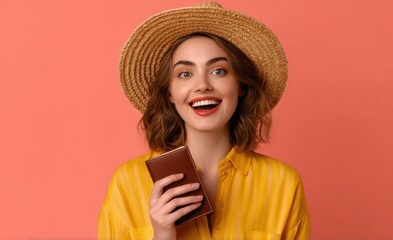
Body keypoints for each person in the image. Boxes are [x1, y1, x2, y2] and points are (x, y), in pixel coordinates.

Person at [98, 2, 311, 240]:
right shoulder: (126, 183)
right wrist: (161, 236)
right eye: (185, 74)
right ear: (169, 92)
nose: (202, 85)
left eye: (218, 71)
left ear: (240, 85)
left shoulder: (283, 183)